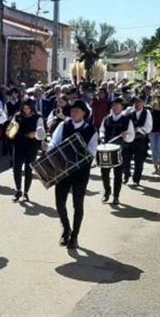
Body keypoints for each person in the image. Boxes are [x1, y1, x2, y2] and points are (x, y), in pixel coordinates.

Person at [48, 100, 98, 249]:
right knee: (59, 202)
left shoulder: (91, 130)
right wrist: (50, 150)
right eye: (72, 110)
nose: (74, 113)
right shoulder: (64, 125)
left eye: (77, 110)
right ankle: (66, 228)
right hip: (62, 170)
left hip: (80, 172)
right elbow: (54, 142)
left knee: (78, 204)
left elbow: (92, 152)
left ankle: (74, 236)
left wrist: (78, 154)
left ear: (84, 113)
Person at [99, 98, 135, 204]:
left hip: (120, 150)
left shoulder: (127, 120)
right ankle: (107, 191)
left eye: (117, 105)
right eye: (113, 105)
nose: (115, 108)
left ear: (122, 107)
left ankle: (116, 196)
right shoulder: (106, 119)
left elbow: (131, 136)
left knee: (118, 174)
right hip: (106, 150)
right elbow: (101, 130)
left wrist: (125, 137)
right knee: (104, 173)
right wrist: (101, 137)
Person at [11, 99, 46, 202]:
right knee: (16, 168)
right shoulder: (17, 116)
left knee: (28, 169)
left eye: (28, 108)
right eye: (24, 108)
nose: (26, 110)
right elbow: (11, 129)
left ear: (31, 108)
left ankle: (26, 192)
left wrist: (35, 133)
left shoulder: (38, 117)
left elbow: (41, 132)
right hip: (18, 144)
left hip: (32, 146)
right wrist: (11, 130)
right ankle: (18, 190)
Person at [123, 95, 153, 185]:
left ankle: (136, 179)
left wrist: (138, 129)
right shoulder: (129, 110)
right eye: (136, 102)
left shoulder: (147, 113)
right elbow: (122, 117)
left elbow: (148, 127)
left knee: (139, 161)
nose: (137, 104)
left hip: (140, 139)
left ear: (143, 103)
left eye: (139, 102)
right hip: (128, 140)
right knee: (126, 159)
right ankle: (126, 175)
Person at [149, 97, 160, 174]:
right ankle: (155, 167)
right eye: (156, 104)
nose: (157, 105)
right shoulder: (150, 112)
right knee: (154, 149)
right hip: (152, 133)